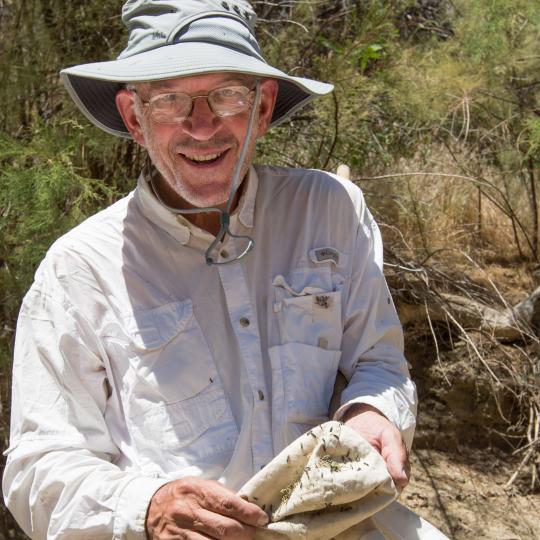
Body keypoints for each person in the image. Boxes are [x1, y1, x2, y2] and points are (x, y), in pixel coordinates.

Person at [3, 1, 417, 538]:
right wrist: (146, 507)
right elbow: (36, 466)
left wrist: (374, 411)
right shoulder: (77, 270)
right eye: (170, 99)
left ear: (263, 108)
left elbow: (380, 359)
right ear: (134, 118)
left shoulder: (331, 210)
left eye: (227, 95)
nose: (202, 127)